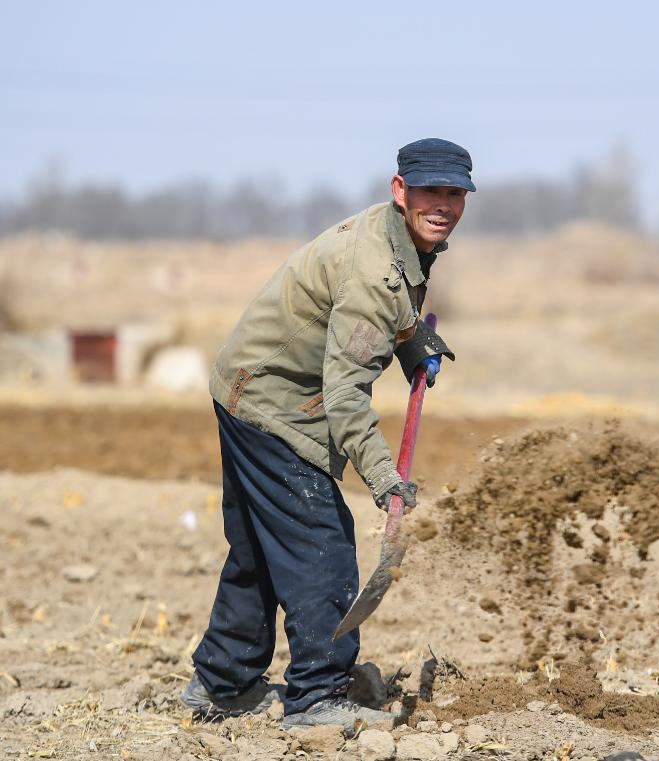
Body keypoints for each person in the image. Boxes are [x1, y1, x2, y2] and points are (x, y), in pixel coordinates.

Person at [179, 138, 473, 732]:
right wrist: (386, 479)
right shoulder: (374, 269)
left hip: (249, 383)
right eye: (429, 191)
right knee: (321, 543)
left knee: (261, 547)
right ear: (400, 191)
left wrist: (411, 341)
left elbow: (379, 313)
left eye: (454, 193)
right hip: (273, 402)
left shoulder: (397, 238)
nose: (442, 205)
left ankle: (223, 684)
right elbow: (345, 394)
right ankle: (317, 698)